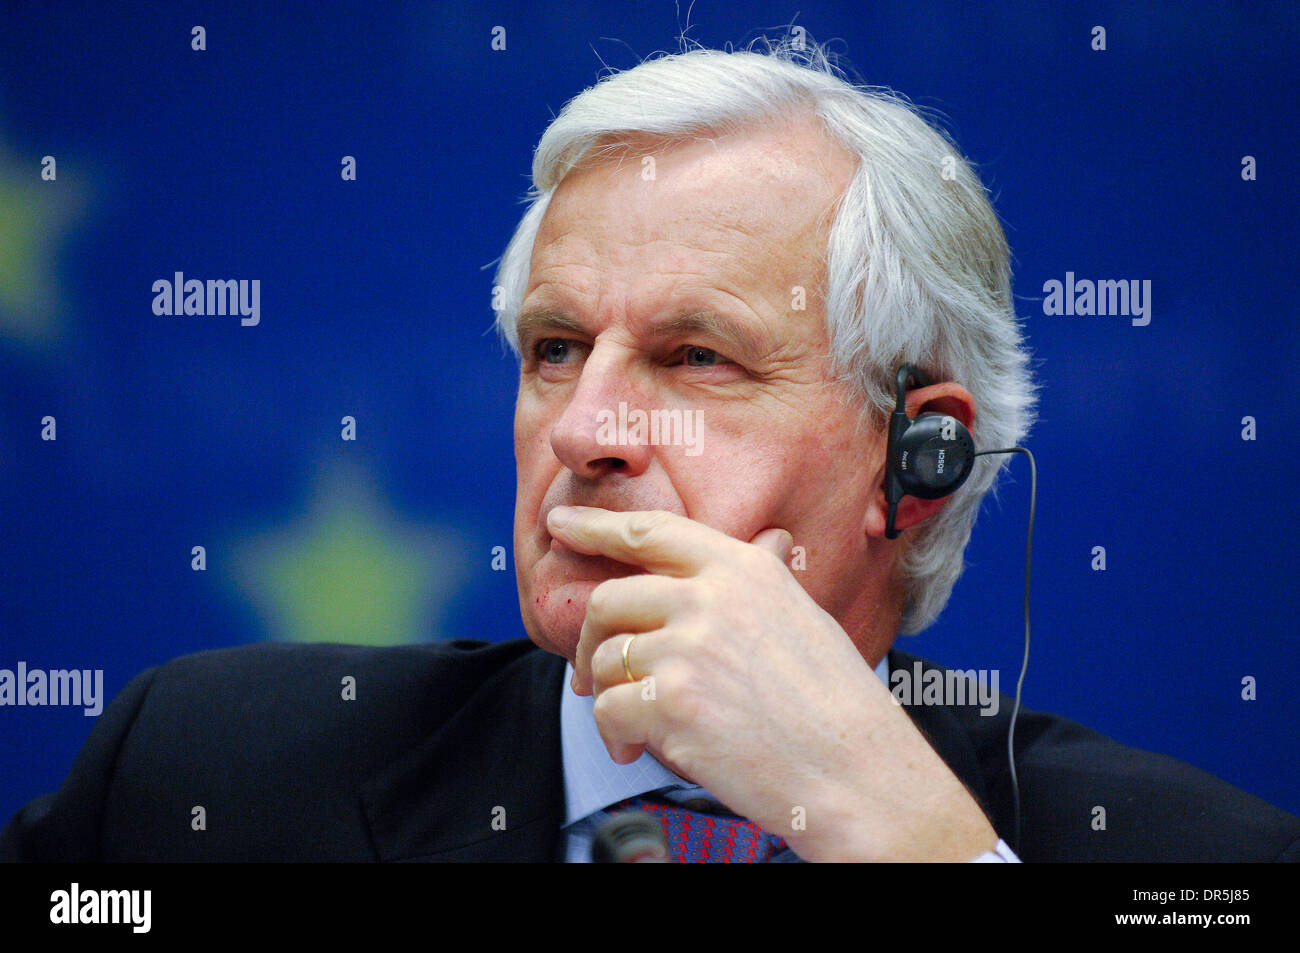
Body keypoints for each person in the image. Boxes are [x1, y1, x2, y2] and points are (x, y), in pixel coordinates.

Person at [3, 40, 1297, 863]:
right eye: (557, 347)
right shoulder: (205, 775)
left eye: (697, 358)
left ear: (921, 457)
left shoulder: (1191, 861)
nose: (581, 431)